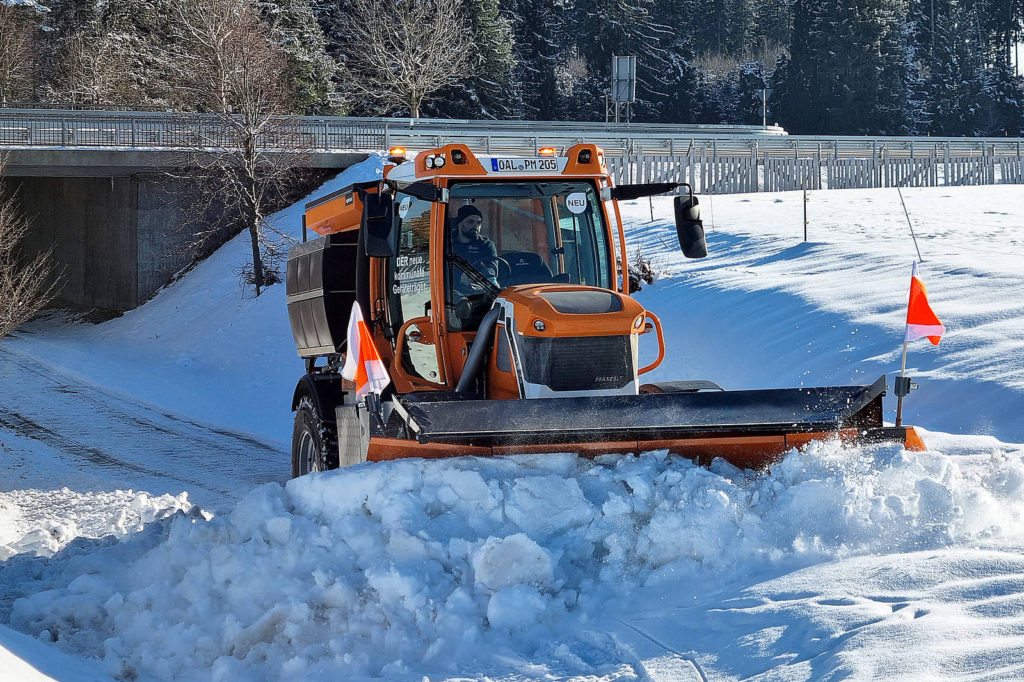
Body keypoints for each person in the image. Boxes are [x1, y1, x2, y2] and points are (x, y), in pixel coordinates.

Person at [450, 204, 499, 287]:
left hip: (480, 289)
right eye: (470, 222)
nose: (476, 226)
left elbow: (492, 266)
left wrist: (482, 276)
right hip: (451, 291)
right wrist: (459, 278)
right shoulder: (447, 244)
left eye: (479, 223)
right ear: (459, 223)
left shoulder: (486, 244)